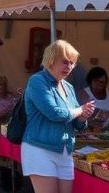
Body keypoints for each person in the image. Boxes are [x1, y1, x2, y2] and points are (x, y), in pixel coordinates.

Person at [22, 40, 95, 193]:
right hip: (39, 149)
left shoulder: (68, 87)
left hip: (64, 151)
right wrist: (80, 110)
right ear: (51, 60)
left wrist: (83, 117)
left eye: (72, 63)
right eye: (65, 62)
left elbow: (76, 124)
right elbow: (54, 113)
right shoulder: (37, 80)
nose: (69, 67)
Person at [77, 66, 109, 131]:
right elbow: (79, 116)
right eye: (95, 81)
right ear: (90, 81)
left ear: (106, 82)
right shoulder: (83, 94)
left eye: (102, 82)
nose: (99, 84)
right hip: (89, 134)